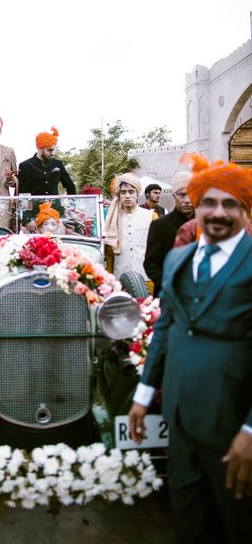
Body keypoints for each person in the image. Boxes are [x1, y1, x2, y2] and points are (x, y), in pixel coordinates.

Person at [129, 154, 252, 544]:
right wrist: (144, 395)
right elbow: (165, 328)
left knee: (237, 519)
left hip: (232, 419)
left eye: (230, 203)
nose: (218, 212)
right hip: (179, 413)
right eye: (208, 203)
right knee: (188, 514)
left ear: (245, 210)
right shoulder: (179, 258)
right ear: (194, 207)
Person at [143, 171, 194, 296]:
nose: (187, 200)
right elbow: (151, 263)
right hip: (168, 295)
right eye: (182, 195)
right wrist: (167, 283)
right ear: (174, 196)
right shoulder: (160, 225)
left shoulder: (206, 224)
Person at [104, 173, 155, 280]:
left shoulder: (151, 216)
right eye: (123, 192)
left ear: (137, 194)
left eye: (131, 192)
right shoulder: (112, 219)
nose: (127, 196)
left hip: (146, 277)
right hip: (119, 278)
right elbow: (109, 254)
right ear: (119, 195)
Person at [18, 127, 76, 196]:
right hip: (35, 206)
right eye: (49, 150)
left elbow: (70, 186)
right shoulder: (25, 166)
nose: (52, 153)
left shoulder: (58, 164)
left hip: (54, 206)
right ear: (40, 148)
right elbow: (23, 193)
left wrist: (71, 205)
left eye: (53, 150)